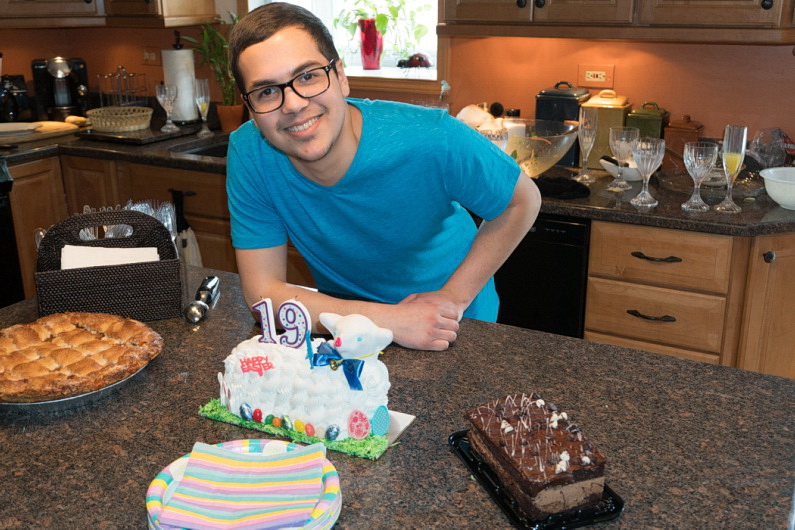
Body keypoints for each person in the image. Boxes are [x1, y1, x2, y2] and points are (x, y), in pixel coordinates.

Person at [226, 2, 540, 351]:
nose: (294, 104)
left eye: (308, 76)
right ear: (250, 107)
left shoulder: (431, 136)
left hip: (453, 326)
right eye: (267, 91)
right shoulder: (249, 153)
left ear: (340, 76)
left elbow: (523, 200)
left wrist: (453, 297)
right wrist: (390, 320)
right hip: (346, 327)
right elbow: (262, 295)